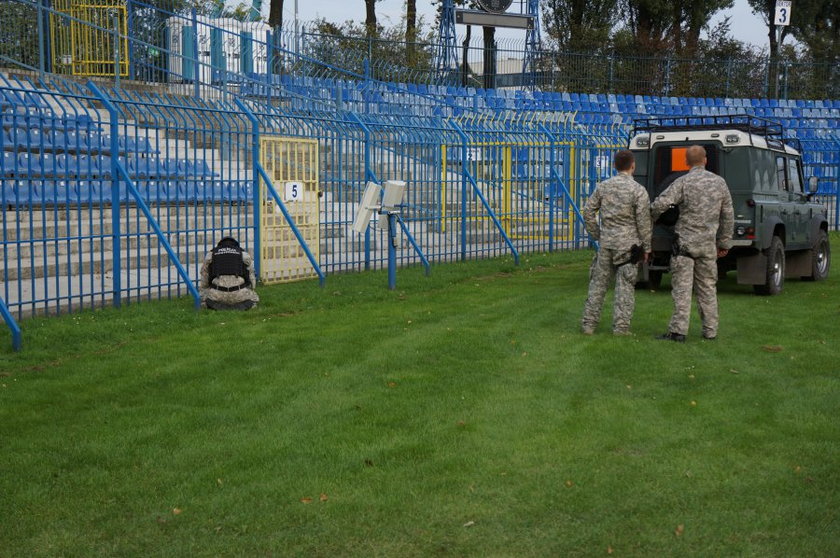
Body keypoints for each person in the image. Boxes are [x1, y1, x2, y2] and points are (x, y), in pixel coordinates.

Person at [650, 145, 734, 342]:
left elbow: (661, 203)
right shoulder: (720, 183)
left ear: (686, 162)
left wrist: (653, 216)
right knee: (707, 288)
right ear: (705, 160)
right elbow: (728, 215)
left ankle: (679, 331)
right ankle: (710, 330)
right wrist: (724, 242)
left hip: (685, 245)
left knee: (682, 289)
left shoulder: (683, 182)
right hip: (707, 245)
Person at [581, 149, 652, 336]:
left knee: (598, 284)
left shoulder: (603, 187)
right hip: (629, 246)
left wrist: (597, 234)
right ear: (633, 165)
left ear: (614, 165)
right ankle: (621, 327)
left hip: (607, 243)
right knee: (625, 286)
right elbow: (644, 222)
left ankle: (589, 324)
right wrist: (647, 247)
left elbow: (588, 211)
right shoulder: (638, 190)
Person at [199, 236, 259, 310]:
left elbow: (204, 279)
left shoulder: (211, 255)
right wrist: (250, 289)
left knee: (204, 297)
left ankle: (212, 305)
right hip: (240, 294)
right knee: (254, 297)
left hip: (217, 294)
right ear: (235, 246)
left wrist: (204, 292)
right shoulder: (243, 255)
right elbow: (252, 278)